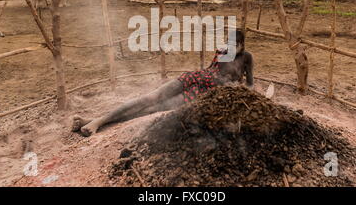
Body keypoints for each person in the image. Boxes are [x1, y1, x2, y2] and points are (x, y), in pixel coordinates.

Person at [72, 29, 254, 137]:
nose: (230, 46)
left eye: (235, 44)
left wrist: (239, 92)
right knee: (151, 98)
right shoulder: (221, 52)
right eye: (228, 42)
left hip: (203, 94)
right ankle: (99, 120)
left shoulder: (247, 58)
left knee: (153, 109)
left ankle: (97, 122)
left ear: (242, 44)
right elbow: (211, 70)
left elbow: (250, 84)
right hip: (194, 79)